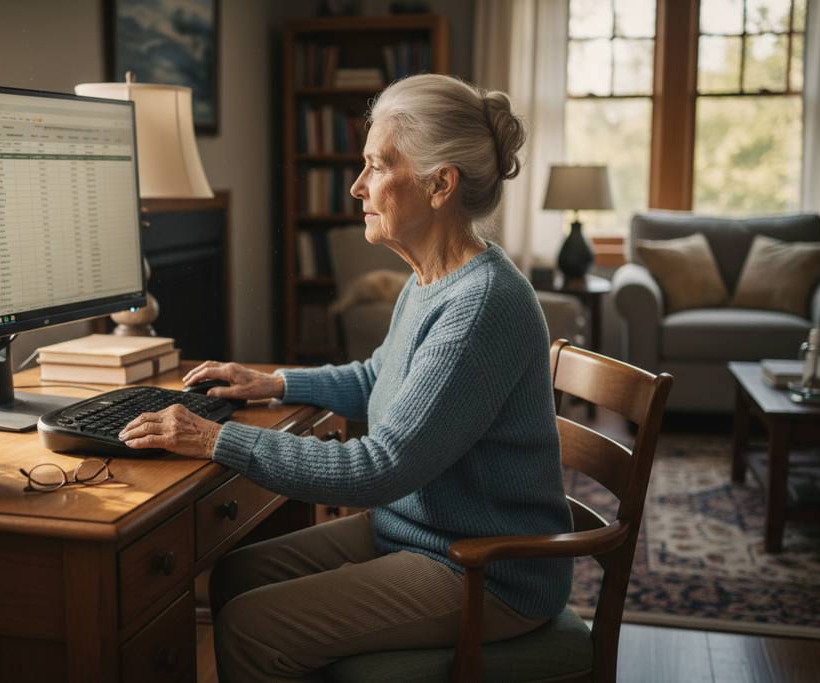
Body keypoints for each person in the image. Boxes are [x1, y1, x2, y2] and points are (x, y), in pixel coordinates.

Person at [118, 73, 574, 682]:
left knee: (250, 626)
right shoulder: (433, 278)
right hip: (419, 531)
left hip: (485, 567)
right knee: (236, 574)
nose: (357, 185)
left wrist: (215, 439)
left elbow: (380, 469)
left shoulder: (481, 306)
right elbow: (378, 376)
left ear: (440, 184)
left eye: (378, 166)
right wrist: (275, 383)